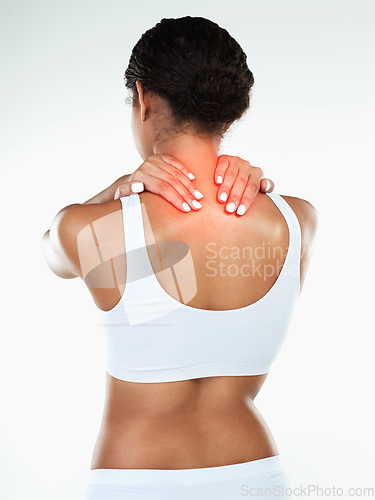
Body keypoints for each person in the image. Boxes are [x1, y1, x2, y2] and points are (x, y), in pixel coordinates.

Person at [42, 16, 318, 500]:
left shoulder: (95, 229)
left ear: (144, 98)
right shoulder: (296, 221)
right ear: (230, 114)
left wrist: (119, 189)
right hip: (255, 475)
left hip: (135, 478)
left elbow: (51, 252)